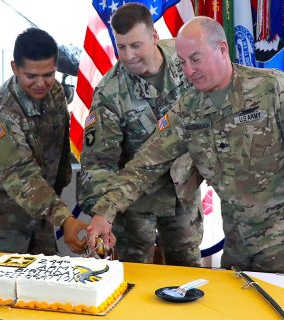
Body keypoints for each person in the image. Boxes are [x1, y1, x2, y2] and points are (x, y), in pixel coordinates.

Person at [87, 16, 284, 274]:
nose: (189, 70)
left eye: (196, 59)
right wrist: (105, 212)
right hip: (236, 238)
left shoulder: (273, 89)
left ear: (222, 49)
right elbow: (145, 163)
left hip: (283, 236)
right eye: (182, 62)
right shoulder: (188, 109)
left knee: (278, 309)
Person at [79, 3, 203, 266]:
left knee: (187, 273)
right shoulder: (109, 94)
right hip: (135, 202)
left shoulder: (184, 60)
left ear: (154, 37)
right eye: (121, 47)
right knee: (134, 276)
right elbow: (98, 165)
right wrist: (104, 214)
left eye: (136, 45)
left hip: (183, 191)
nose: (128, 55)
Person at [0, 28, 87, 255]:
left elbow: (60, 149)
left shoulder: (55, 92)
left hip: (41, 211)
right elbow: (21, 176)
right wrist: (66, 219)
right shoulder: (2, 113)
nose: (41, 83)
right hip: (3, 221)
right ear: (15, 68)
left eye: (48, 74)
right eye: (31, 76)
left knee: (46, 282)